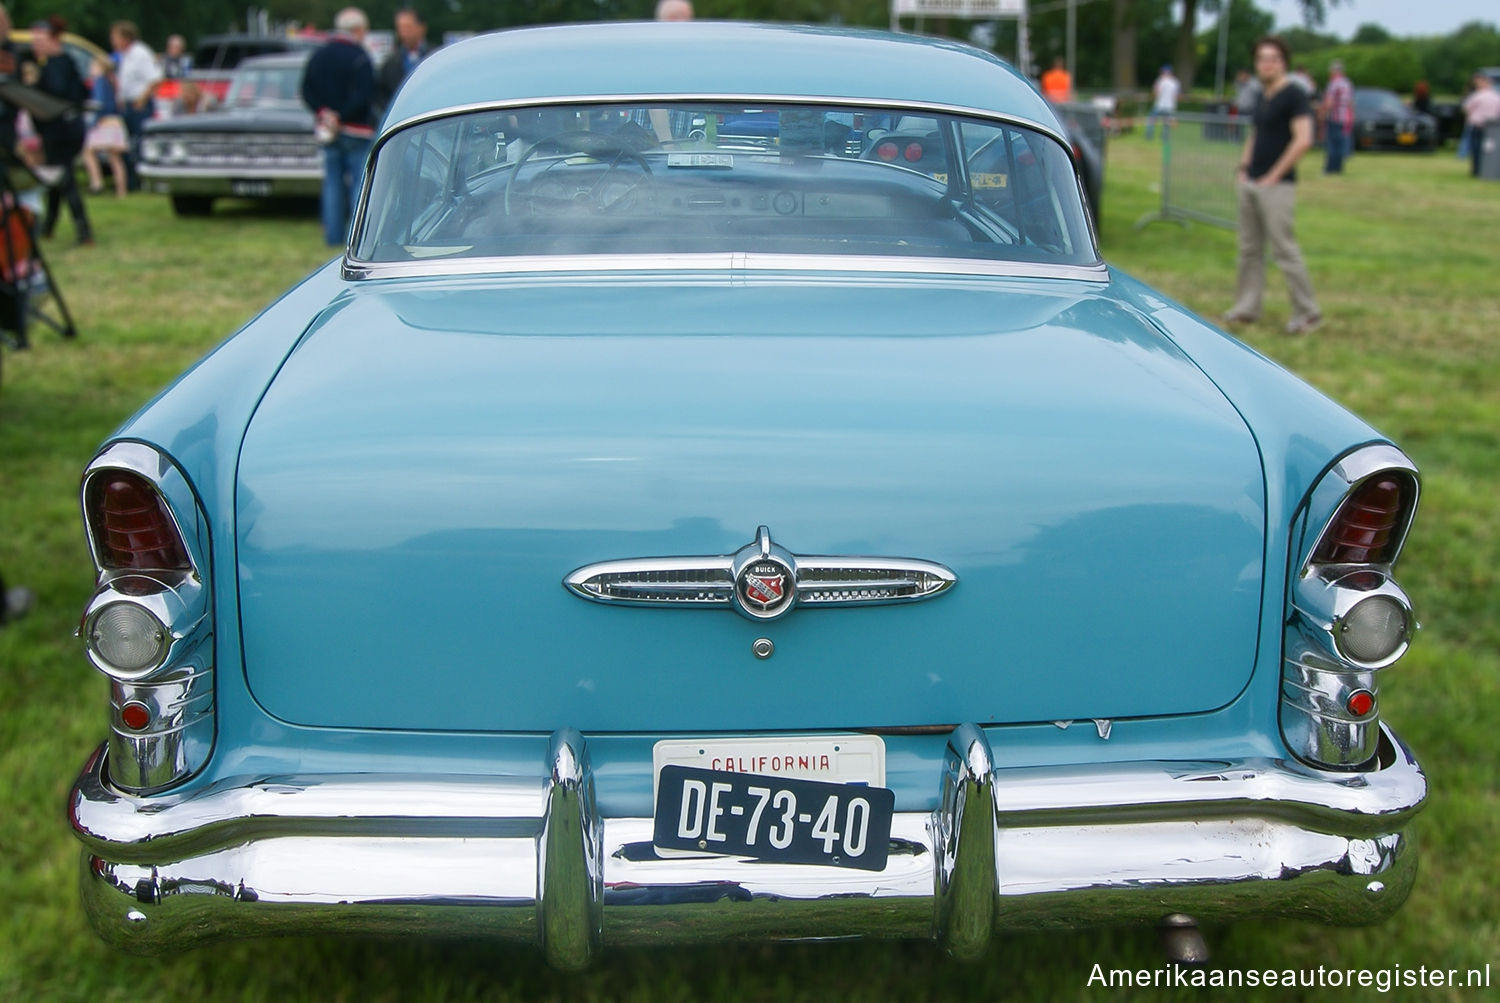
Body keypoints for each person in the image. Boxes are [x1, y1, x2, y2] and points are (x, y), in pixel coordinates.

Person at [1224, 36, 1319, 335]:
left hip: (1277, 187)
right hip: (1251, 182)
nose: (1267, 64)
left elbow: (1303, 139)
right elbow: (1256, 135)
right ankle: (1246, 307)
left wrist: (1274, 176)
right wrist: (1243, 167)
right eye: (1262, 58)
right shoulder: (1263, 96)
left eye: (1274, 58)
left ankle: (1308, 313)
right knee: (1249, 250)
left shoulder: (1294, 95)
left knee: (1284, 250)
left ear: (1284, 63)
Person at [301, 7, 376, 246]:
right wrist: (343, 115)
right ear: (357, 30)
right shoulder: (359, 57)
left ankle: (332, 235)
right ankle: (355, 238)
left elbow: (306, 89)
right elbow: (366, 94)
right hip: (355, 129)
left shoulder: (319, 56)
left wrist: (325, 113)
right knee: (358, 183)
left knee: (332, 182)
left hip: (327, 129)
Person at [30, 17, 93, 245]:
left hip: (62, 130)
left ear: (54, 39)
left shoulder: (56, 65)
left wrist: (35, 84)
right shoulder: (65, 62)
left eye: (40, 39)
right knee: (56, 177)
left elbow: (56, 95)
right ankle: (48, 226)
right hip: (66, 128)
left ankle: (84, 230)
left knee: (65, 177)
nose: (35, 44)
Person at [109, 21, 161, 190]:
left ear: (126, 38)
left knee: (139, 143)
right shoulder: (125, 55)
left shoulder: (140, 53)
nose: (113, 41)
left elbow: (154, 79)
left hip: (139, 106)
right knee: (129, 144)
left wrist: (142, 99)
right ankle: (131, 182)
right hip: (128, 105)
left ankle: (142, 181)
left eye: (115, 37)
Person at [374, 7, 431, 122]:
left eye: (408, 27)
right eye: (400, 28)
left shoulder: (434, 59)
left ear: (421, 28)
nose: (404, 32)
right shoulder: (390, 64)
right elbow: (381, 97)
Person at [83, 58, 128, 197]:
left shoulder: (100, 81)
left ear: (100, 68)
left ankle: (97, 183)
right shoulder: (111, 81)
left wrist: (92, 123)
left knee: (88, 151)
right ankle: (122, 191)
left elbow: (99, 104)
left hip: (104, 123)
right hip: (115, 122)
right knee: (115, 158)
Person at [1461, 72, 1500, 178]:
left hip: (1477, 125)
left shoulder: (1477, 95)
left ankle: (1476, 170)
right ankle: (1487, 169)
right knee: (1489, 150)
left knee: (1476, 149)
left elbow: (1466, 108)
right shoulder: (1496, 97)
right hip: (1492, 127)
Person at [1321, 59, 1353, 174]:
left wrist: (1323, 113)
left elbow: (1329, 103)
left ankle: (1330, 168)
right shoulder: (1347, 83)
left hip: (1334, 117)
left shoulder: (1333, 84)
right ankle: (1339, 168)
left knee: (1332, 144)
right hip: (1345, 118)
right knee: (1340, 143)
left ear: (1334, 71)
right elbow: (1350, 103)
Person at [1145, 65, 1179, 140]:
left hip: (1159, 105)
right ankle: (1165, 137)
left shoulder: (1160, 80)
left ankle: (1149, 136)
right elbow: (1175, 96)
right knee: (1167, 122)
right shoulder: (1175, 82)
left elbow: (1156, 92)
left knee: (1151, 119)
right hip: (1170, 106)